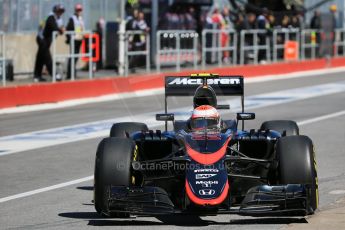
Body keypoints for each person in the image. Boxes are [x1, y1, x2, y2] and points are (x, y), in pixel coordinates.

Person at [33, 4, 65, 82]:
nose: (60, 13)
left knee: (40, 58)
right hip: (42, 39)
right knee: (47, 58)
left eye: (61, 11)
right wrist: (60, 30)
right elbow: (55, 28)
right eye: (59, 11)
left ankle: (37, 76)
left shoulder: (57, 18)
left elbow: (61, 29)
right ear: (55, 11)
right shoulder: (51, 17)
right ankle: (55, 75)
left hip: (46, 40)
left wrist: (61, 30)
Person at [66, 4, 85, 80]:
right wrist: (69, 38)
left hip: (79, 40)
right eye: (78, 10)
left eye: (80, 10)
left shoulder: (80, 18)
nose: (79, 11)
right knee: (72, 57)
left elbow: (81, 28)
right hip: (74, 40)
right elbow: (68, 28)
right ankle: (70, 74)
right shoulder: (72, 18)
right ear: (75, 10)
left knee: (76, 57)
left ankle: (73, 73)